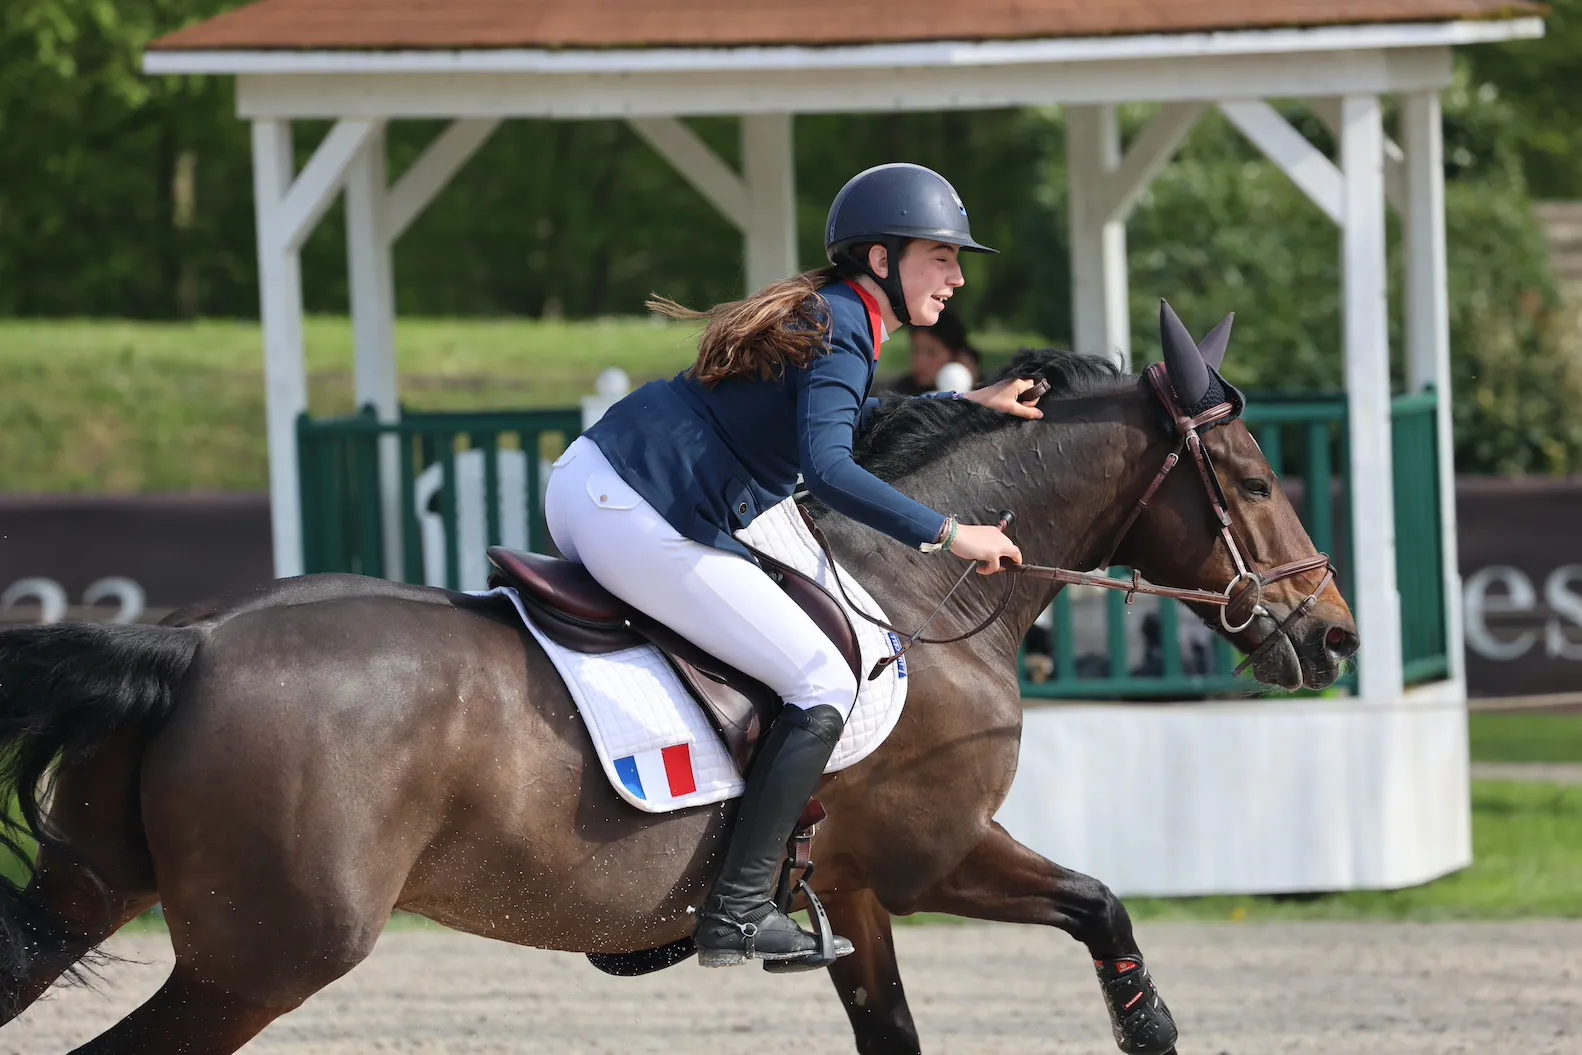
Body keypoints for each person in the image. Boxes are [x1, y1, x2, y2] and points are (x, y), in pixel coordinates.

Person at [542, 163, 1043, 970]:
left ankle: (682, 891)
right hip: (637, 510)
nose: (956, 277)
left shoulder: (842, 315)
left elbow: (843, 414)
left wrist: (961, 404)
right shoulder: (845, 321)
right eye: (941, 255)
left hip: (600, 483)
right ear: (881, 259)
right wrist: (955, 535)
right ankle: (735, 910)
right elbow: (834, 469)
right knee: (822, 676)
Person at [891, 306, 981, 395]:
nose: (920, 360)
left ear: (956, 356)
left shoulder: (982, 394)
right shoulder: (903, 392)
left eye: (931, 353)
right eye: (915, 350)